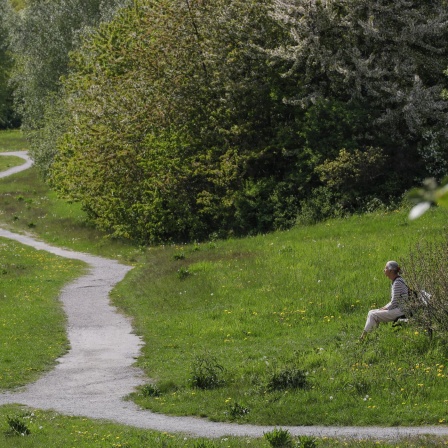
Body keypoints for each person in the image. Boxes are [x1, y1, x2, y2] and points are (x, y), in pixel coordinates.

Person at [359, 260, 408, 340]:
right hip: (400, 308)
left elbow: (394, 302)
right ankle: (369, 336)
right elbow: (394, 301)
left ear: (391, 271)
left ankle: (364, 338)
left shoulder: (397, 283)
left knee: (373, 315)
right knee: (371, 312)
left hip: (401, 310)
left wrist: (385, 308)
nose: (384, 270)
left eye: (385, 268)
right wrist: (384, 308)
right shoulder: (398, 280)